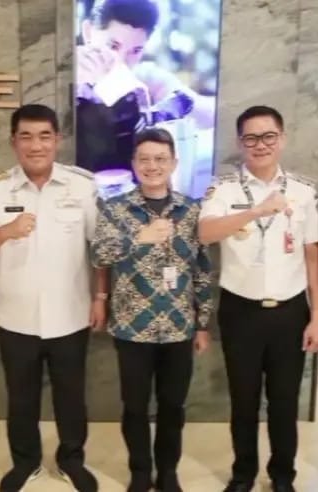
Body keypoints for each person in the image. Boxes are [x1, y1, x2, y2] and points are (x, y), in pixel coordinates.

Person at [0, 104, 106, 492]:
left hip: (70, 312)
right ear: (13, 141)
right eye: (26, 136)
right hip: (16, 315)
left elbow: (100, 248)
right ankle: (25, 462)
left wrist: (100, 296)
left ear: (57, 140)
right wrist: (5, 231)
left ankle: (71, 460)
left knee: (71, 396)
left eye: (44, 136)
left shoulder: (81, 185)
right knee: (21, 397)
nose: (36, 145)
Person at [198, 105, 318, 492]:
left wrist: (317, 315)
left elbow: (313, 256)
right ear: (241, 143)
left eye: (268, 136)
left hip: (290, 311)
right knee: (244, 401)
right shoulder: (222, 189)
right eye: (251, 138)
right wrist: (255, 211)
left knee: (285, 403)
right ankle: (243, 475)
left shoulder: (303, 192)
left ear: (282, 139)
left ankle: (282, 476)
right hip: (241, 311)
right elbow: (205, 233)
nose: (260, 144)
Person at [91, 128, 212, 492]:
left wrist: (203, 323)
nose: (152, 166)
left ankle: (168, 471)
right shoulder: (115, 208)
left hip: (179, 326)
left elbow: (202, 270)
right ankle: (140, 472)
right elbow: (99, 254)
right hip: (132, 327)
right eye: (144, 159)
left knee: (173, 406)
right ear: (133, 164)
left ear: (174, 163)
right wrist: (137, 238)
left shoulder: (191, 211)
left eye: (160, 159)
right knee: (134, 406)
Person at [75, 0, 215, 175]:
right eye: (113, 46)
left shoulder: (144, 78)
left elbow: (213, 114)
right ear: (88, 32)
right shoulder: (64, 76)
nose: (121, 60)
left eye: (135, 51)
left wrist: (181, 104)